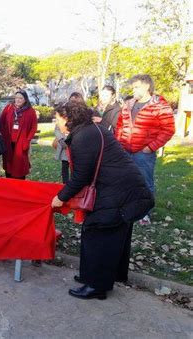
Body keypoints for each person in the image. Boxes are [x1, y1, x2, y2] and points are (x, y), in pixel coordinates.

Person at [51, 102, 154, 300]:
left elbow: (81, 176)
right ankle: (98, 276)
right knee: (110, 236)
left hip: (120, 192)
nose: (56, 122)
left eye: (58, 118)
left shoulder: (83, 137)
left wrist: (60, 198)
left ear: (68, 119)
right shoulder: (91, 129)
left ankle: (97, 286)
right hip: (122, 189)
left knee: (98, 234)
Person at [115, 74, 175, 225]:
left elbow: (168, 129)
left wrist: (150, 148)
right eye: (133, 87)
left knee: (145, 183)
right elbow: (120, 126)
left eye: (136, 87)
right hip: (125, 151)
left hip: (144, 153)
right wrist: (119, 143)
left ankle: (144, 214)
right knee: (126, 181)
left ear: (147, 86)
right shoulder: (128, 104)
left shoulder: (160, 105)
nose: (133, 90)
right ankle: (128, 208)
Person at [0, 90, 38, 179]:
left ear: (25, 100)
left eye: (21, 98)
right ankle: (9, 184)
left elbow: (34, 127)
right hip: (8, 141)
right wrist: (4, 135)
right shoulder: (9, 108)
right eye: (16, 98)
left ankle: (19, 185)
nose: (18, 100)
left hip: (21, 142)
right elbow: (1, 122)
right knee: (8, 163)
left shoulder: (30, 111)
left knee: (20, 165)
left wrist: (27, 140)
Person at [52, 93, 87, 183]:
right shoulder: (63, 116)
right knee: (65, 165)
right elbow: (57, 129)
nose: (73, 103)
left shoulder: (82, 123)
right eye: (71, 101)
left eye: (75, 101)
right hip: (64, 145)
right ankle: (65, 183)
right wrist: (61, 140)